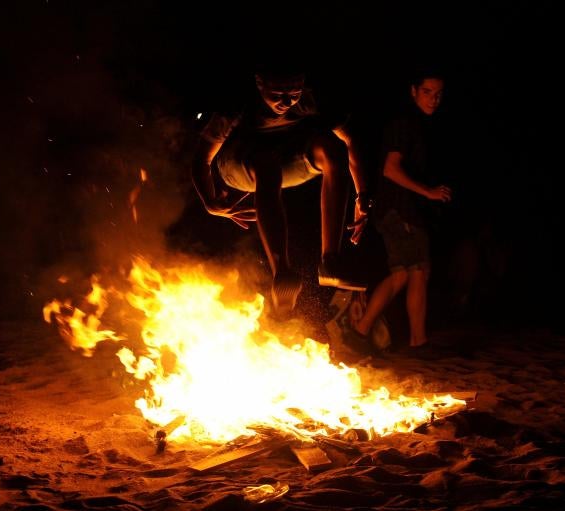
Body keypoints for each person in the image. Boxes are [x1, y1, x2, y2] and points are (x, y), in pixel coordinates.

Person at [191, 65, 371, 317]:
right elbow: (201, 160)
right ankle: (282, 270)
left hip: (289, 159)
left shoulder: (310, 100)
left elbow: (351, 142)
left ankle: (330, 260)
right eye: (278, 94)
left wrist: (362, 195)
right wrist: (210, 200)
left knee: (332, 147)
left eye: (294, 93)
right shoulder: (238, 105)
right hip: (238, 165)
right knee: (266, 163)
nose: (286, 102)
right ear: (260, 82)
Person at [346, 68, 452, 351]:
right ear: (413, 91)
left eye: (439, 94)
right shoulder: (406, 124)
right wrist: (428, 192)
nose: (434, 99)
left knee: (402, 274)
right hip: (401, 211)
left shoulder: (415, 124)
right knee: (418, 270)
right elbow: (390, 169)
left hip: (394, 211)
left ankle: (360, 330)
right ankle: (418, 341)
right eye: (427, 92)